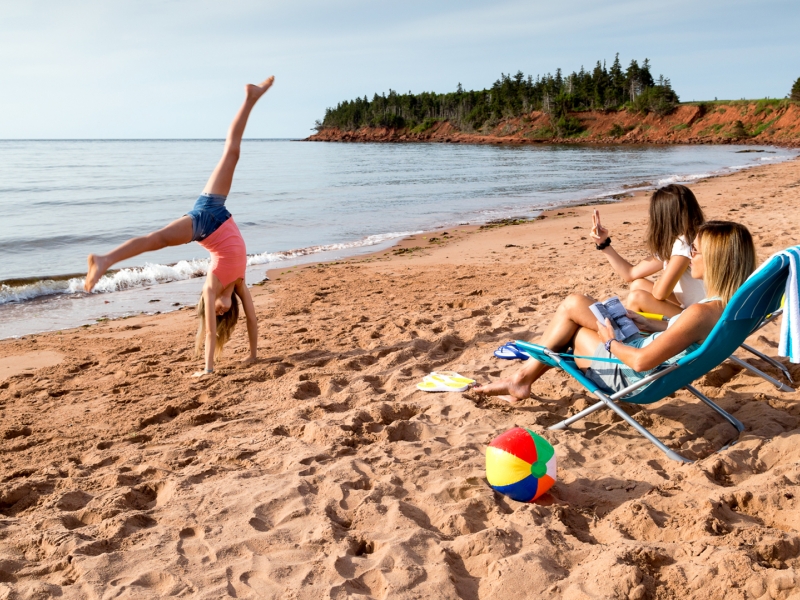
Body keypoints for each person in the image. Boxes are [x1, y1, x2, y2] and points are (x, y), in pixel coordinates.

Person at [83, 76, 275, 377]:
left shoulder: (211, 285)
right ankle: (251, 98)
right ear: (231, 308)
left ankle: (105, 259)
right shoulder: (238, 283)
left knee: (158, 238)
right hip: (217, 213)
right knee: (233, 153)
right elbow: (252, 319)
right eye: (222, 313)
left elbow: (210, 334)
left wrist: (208, 369)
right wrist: (253, 356)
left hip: (203, 223)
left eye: (213, 312)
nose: (218, 311)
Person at [474, 221, 756, 402]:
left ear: (716, 259)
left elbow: (642, 362)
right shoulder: (731, 305)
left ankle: (520, 381)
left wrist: (611, 342)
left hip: (635, 377)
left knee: (572, 312)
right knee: (577, 306)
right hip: (651, 357)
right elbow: (691, 335)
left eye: (694, 251)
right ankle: (520, 381)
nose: (688, 255)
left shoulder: (702, 312)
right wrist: (650, 321)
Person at [592, 184, 706, 319]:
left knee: (637, 297)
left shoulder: (685, 241)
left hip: (701, 316)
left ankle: (634, 337)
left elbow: (660, 294)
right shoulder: (689, 237)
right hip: (696, 307)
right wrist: (603, 244)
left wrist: (659, 285)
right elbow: (631, 274)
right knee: (638, 284)